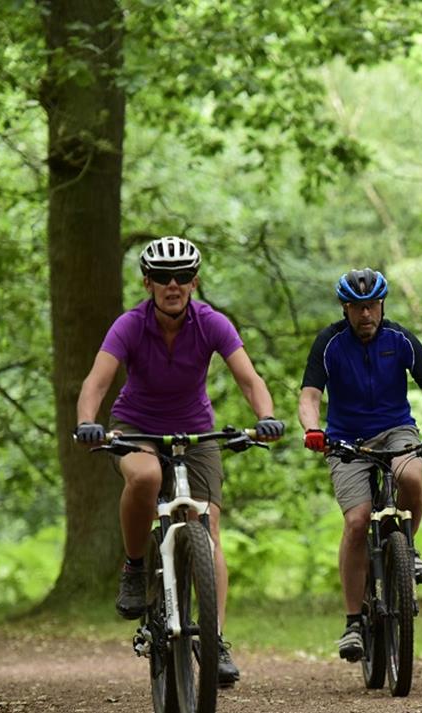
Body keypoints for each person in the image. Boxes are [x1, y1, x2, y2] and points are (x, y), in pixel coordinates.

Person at [74, 236, 284, 688]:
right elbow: (97, 379)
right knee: (146, 476)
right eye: (164, 278)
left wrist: (265, 417)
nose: (174, 285)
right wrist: (87, 421)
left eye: (184, 276)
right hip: (136, 429)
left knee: (207, 530)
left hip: (195, 433)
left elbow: (249, 379)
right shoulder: (129, 325)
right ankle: (134, 568)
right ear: (148, 282)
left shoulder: (212, 323)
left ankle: (215, 641)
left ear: (195, 281)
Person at [297, 267, 422, 662]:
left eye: (372, 306)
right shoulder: (329, 342)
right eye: (357, 308)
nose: (366, 315)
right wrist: (312, 429)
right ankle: (354, 622)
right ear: (345, 308)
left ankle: (406, 548)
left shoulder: (400, 338)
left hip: (396, 430)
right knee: (357, 521)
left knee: (410, 474)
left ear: (382, 304)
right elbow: (309, 396)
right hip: (346, 440)